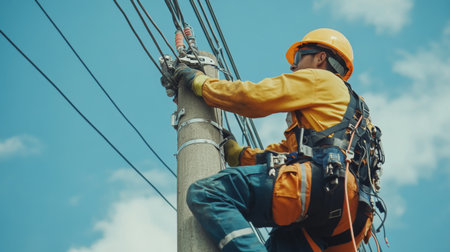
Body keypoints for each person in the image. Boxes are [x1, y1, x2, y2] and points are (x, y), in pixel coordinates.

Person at [172, 28, 384, 251]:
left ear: (321, 58)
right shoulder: (351, 115)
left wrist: (201, 84)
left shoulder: (321, 79)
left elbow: (252, 98)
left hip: (323, 188)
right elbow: (285, 155)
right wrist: (238, 155)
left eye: (299, 57)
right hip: (350, 224)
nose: (293, 66)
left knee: (210, 193)